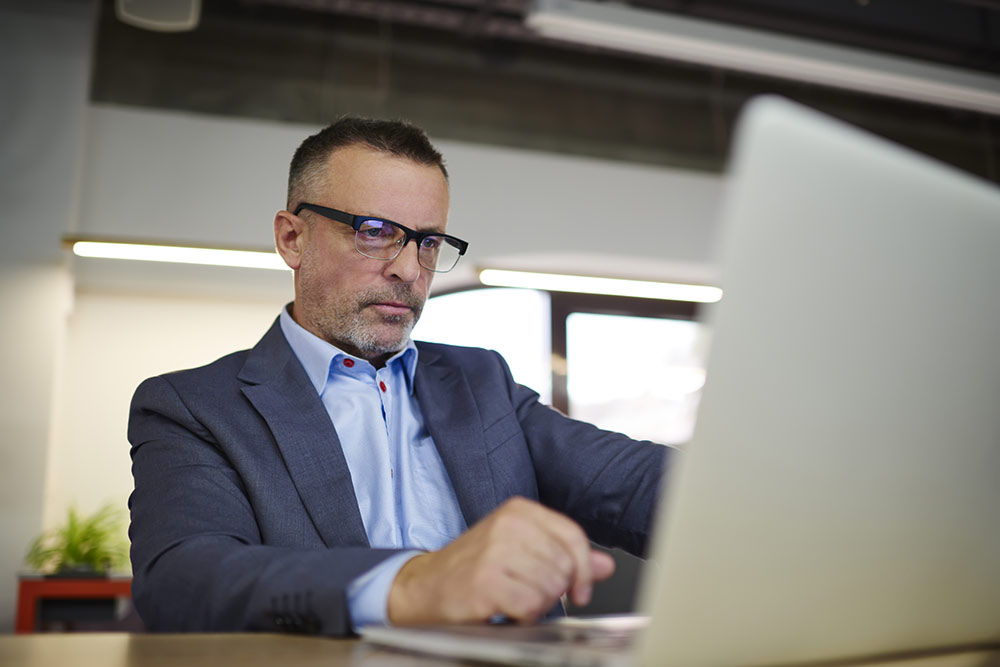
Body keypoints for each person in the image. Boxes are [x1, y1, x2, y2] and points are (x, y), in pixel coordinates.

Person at [127, 116, 670, 637]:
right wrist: (408, 585)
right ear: (293, 238)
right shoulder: (194, 406)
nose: (409, 270)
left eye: (428, 242)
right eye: (375, 232)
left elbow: (639, 485)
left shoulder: (482, 383)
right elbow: (184, 579)